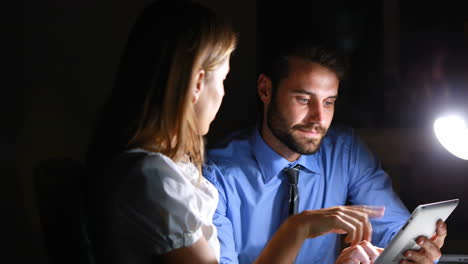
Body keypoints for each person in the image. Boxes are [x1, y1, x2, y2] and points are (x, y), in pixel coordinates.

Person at [203, 43, 448, 263]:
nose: (318, 119)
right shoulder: (216, 175)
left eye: (328, 102)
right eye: (303, 99)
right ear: (265, 90)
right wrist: (299, 227)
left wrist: (416, 251)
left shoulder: (345, 152)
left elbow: (394, 230)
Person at [85, 1, 237, 263]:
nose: (224, 93)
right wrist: (293, 233)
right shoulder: (152, 180)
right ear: (198, 84)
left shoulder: (157, 171)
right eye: (223, 80)